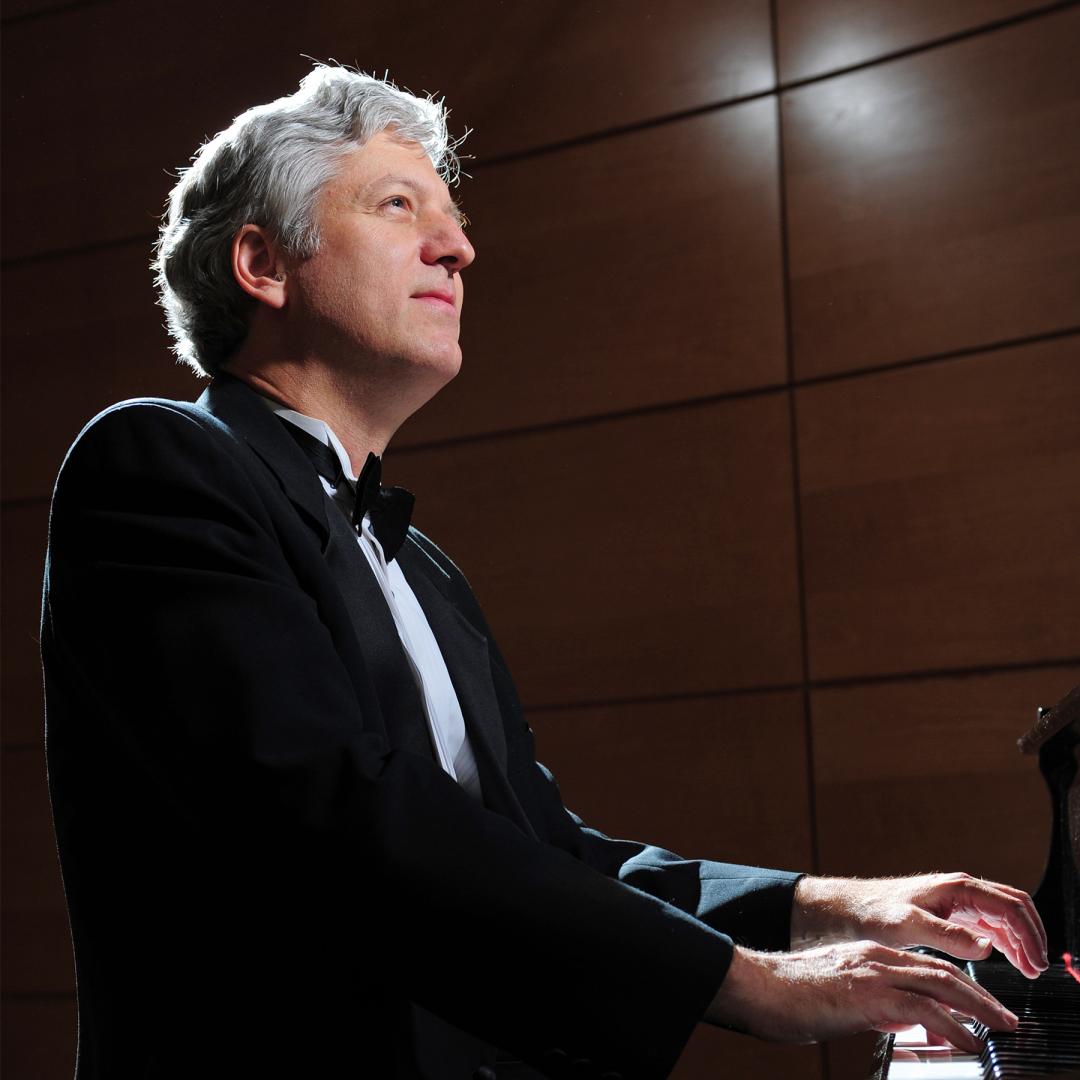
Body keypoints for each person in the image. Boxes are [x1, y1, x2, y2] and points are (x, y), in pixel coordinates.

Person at [41, 64, 1048, 1080]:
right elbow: (340, 818)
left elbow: (546, 855)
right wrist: (744, 983)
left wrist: (825, 908)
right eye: (401, 206)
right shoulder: (158, 464)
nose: (460, 246)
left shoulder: (422, 566)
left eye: (455, 217)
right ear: (262, 263)